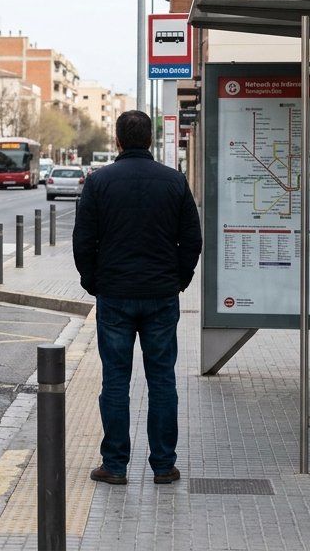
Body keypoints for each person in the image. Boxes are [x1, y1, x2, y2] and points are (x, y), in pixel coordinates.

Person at [73, 110, 202, 486]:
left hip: (115, 295)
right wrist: (178, 279)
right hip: (161, 295)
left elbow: (83, 240)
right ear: (149, 140)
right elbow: (192, 240)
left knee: (115, 381)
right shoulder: (174, 181)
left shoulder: (99, 183)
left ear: (117, 141)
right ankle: (163, 465)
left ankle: (114, 465)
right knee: (162, 380)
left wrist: (93, 280)